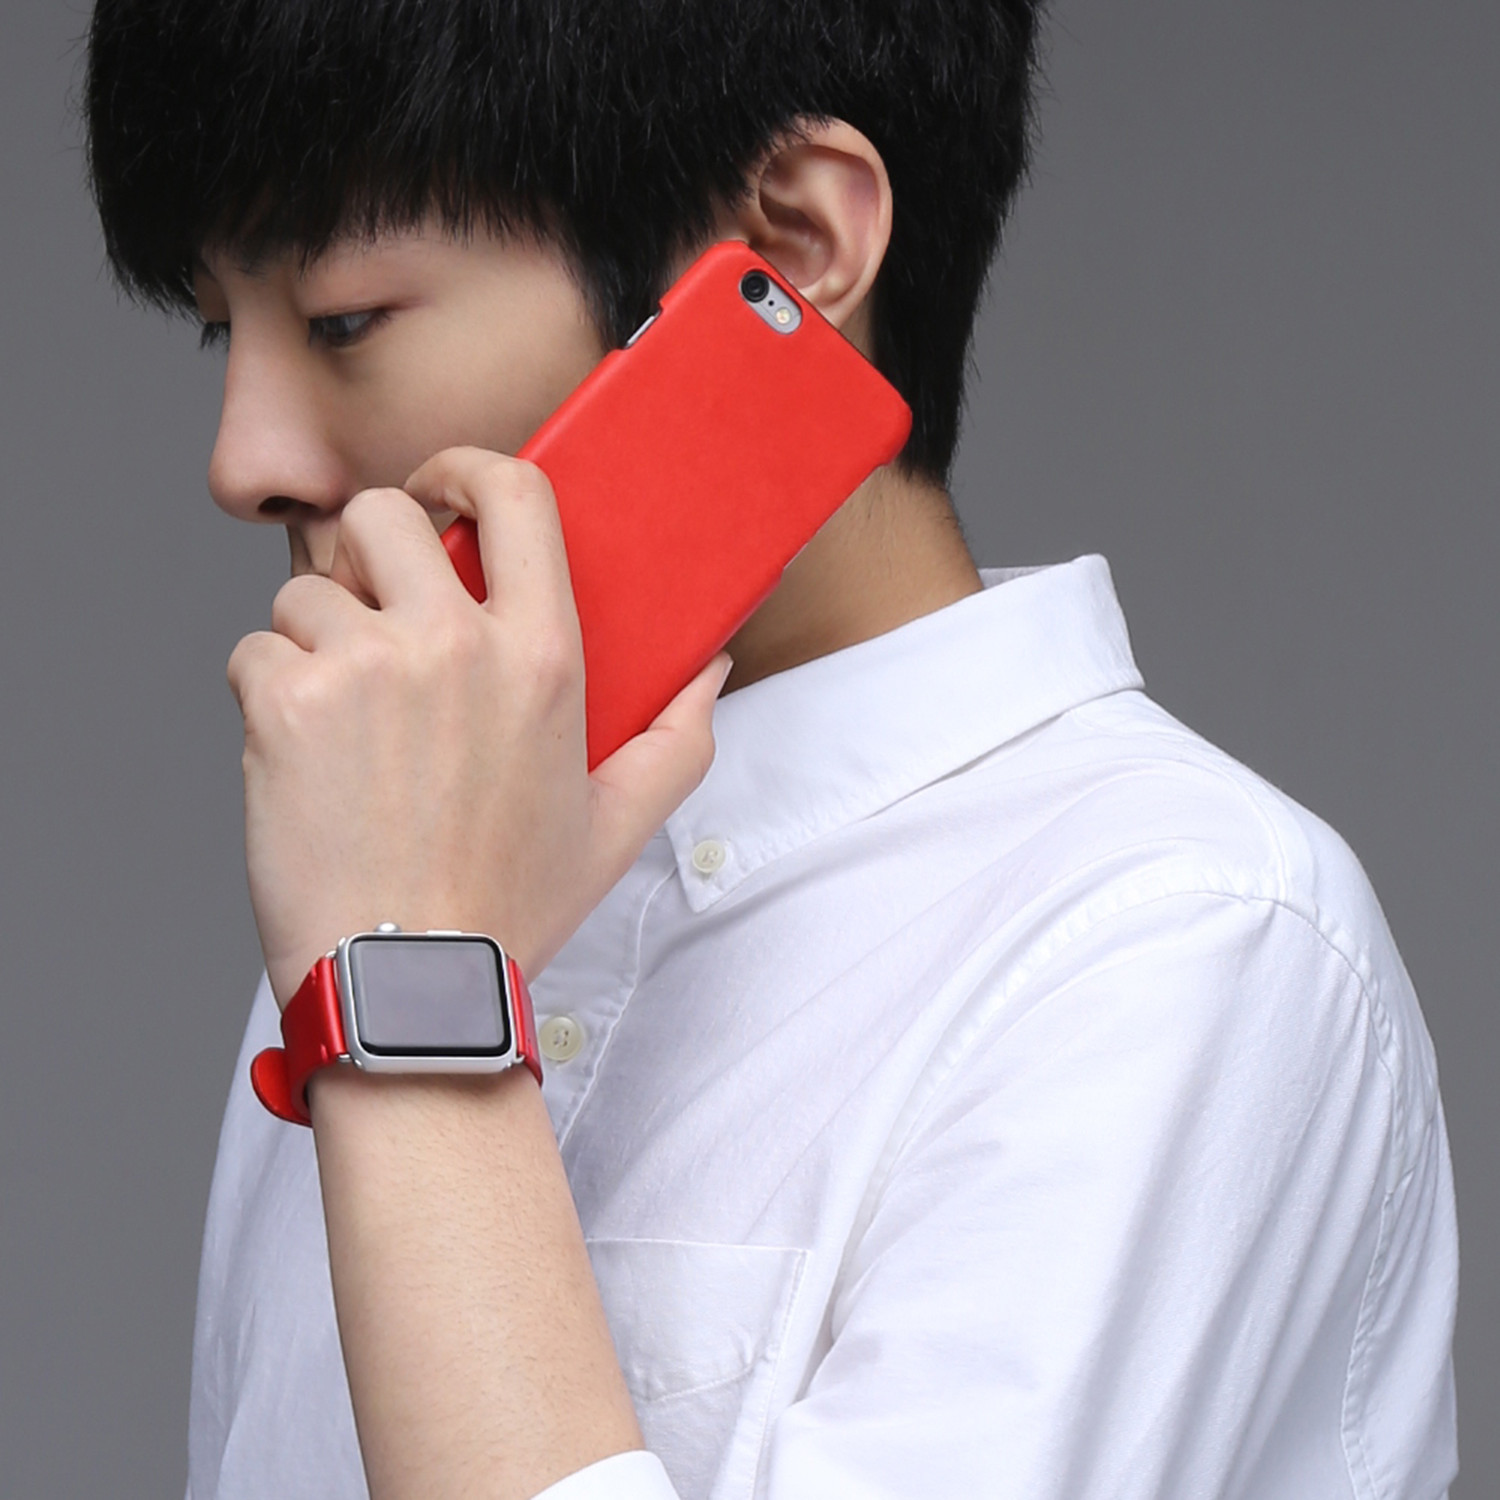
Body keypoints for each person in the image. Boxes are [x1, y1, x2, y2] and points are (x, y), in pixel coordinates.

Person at [85, 1, 1459, 1497]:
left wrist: (415, 1011)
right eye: (222, 327)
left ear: (792, 247)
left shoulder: (1185, 940)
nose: (241, 460)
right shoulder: (389, 882)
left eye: (343, 318)